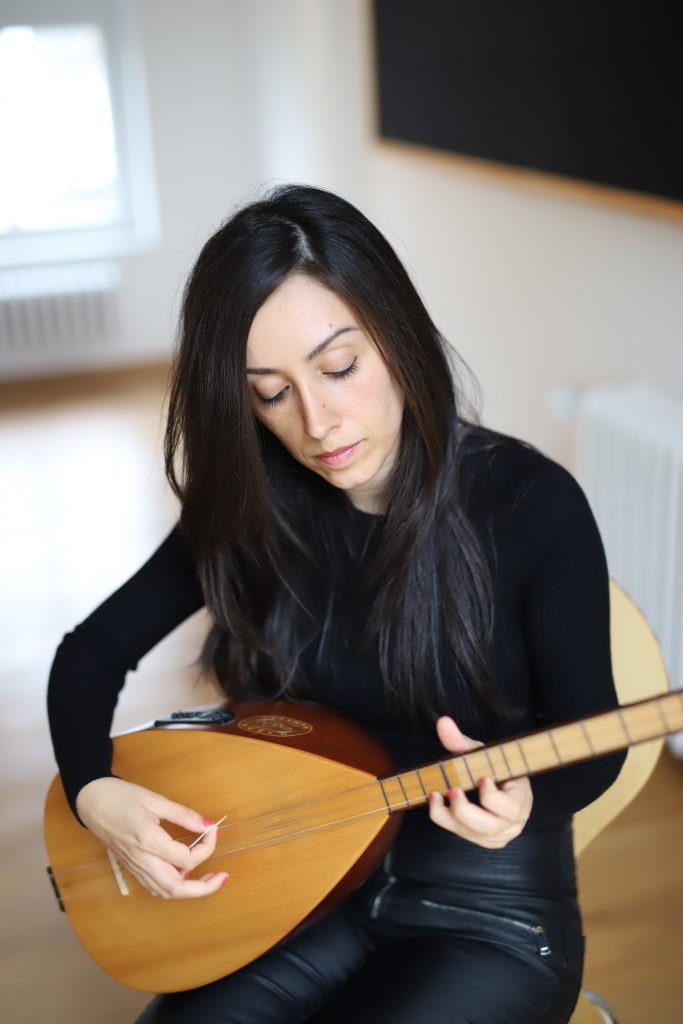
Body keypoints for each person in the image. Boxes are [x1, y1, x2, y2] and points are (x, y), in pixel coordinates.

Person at [47, 184, 625, 1023]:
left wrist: (532, 797)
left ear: (395, 333)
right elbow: (90, 654)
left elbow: (595, 739)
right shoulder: (251, 504)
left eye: (339, 366)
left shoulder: (530, 505)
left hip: (488, 911)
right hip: (300, 886)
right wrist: (92, 789)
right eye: (270, 392)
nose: (317, 422)